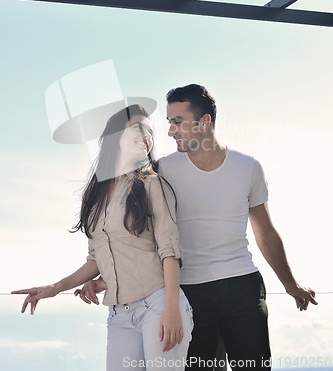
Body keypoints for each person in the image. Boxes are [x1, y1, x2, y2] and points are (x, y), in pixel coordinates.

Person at [77, 85, 318, 371]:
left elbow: (265, 233)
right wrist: (108, 275)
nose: (170, 131)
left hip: (242, 287)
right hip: (189, 294)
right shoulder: (162, 171)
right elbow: (135, 230)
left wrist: (291, 285)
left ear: (204, 122)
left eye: (177, 122)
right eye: (168, 123)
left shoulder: (248, 167)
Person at [12, 104, 193, 371]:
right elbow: (96, 258)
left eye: (150, 131)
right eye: (138, 127)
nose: (147, 135)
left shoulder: (152, 185)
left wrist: (171, 309)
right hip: (119, 314)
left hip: (158, 304)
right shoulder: (94, 195)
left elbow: (170, 251)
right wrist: (54, 288)